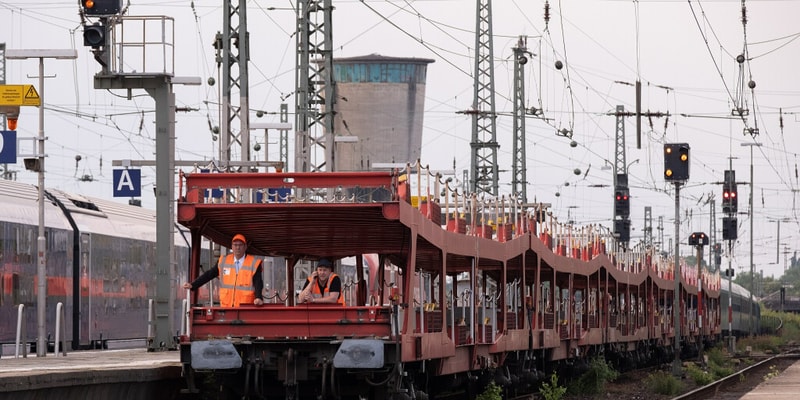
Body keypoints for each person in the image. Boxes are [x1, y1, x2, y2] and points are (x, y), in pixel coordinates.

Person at [183, 234, 264, 306]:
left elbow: (258, 282)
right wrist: (193, 285)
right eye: (235, 245)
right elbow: (209, 275)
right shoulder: (224, 261)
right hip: (227, 307)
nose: (238, 247)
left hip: (245, 307)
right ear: (232, 247)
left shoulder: (254, 263)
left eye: (240, 245)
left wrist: (258, 297)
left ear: (245, 247)